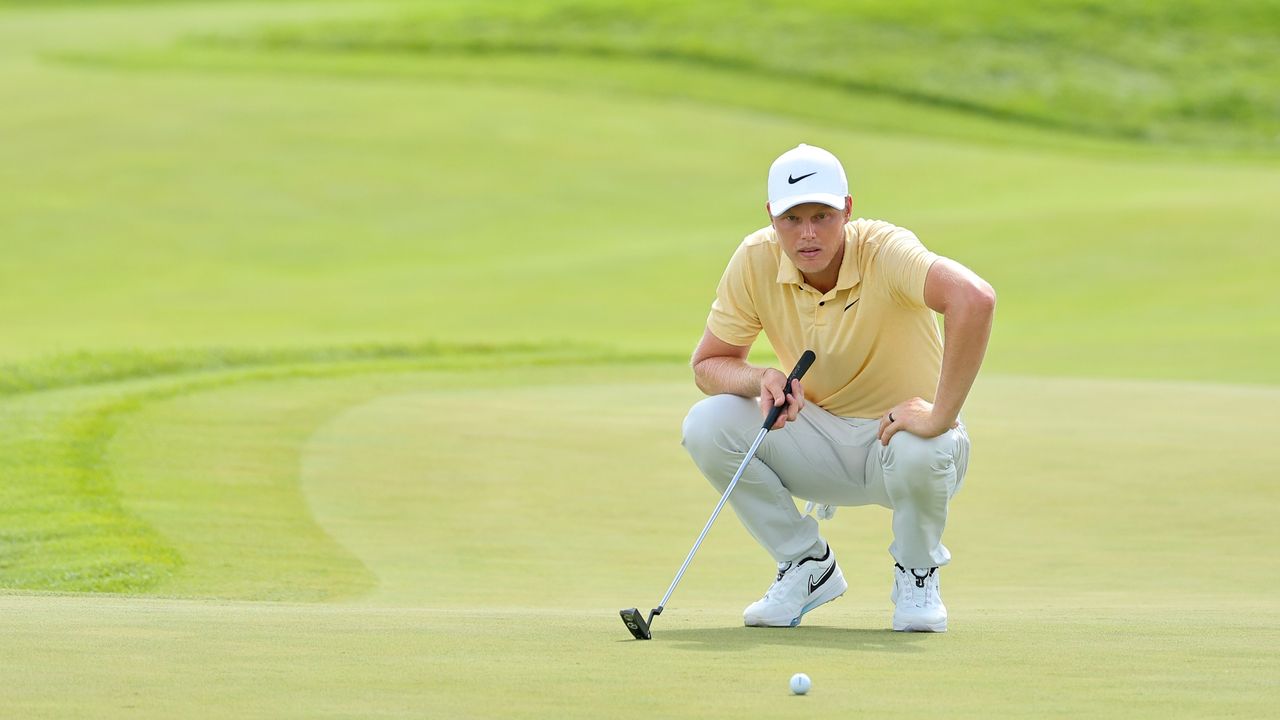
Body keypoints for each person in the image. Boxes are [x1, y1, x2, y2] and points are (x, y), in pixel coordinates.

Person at [682, 143, 995, 633]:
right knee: (707, 423)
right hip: (817, 444)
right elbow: (708, 365)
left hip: (900, 448)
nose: (808, 233)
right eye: (792, 219)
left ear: (847, 209)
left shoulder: (886, 250)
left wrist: (939, 414)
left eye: (822, 215)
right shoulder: (755, 259)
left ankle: (917, 572)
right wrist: (760, 377)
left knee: (922, 442)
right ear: (771, 216)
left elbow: (974, 299)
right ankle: (807, 565)